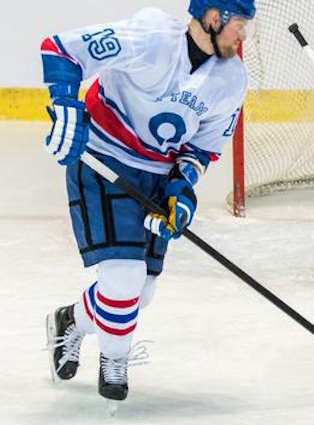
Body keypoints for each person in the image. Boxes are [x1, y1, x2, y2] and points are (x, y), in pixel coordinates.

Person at [42, 0, 254, 404]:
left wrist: (182, 189)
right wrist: (67, 108)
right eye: (240, 25)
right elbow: (61, 50)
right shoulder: (151, 37)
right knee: (122, 280)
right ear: (213, 18)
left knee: (141, 292)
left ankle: (70, 321)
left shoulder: (232, 80)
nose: (244, 36)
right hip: (103, 158)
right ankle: (115, 361)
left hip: (156, 176)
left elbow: (203, 149)